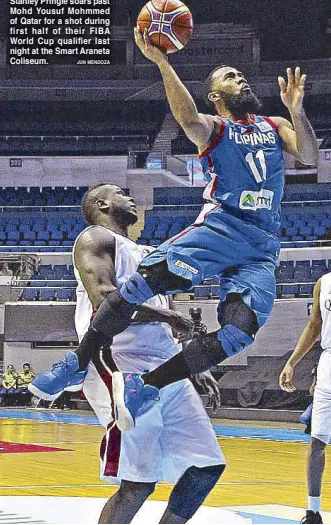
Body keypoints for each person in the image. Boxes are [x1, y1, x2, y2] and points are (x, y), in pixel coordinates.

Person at [30, 27, 318, 432]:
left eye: (240, 74)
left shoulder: (273, 124)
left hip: (262, 245)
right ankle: (76, 363)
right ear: (216, 96)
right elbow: (186, 117)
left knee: (239, 333)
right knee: (135, 288)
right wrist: (163, 61)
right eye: (230, 76)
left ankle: (148, 386)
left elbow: (308, 155)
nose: (242, 79)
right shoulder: (216, 129)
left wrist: (297, 109)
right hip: (222, 227)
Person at [51, 184, 226, 523]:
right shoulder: (95, 239)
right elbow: (105, 299)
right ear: (102, 203)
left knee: (206, 466)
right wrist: (167, 315)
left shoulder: (150, 253)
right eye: (120, 192)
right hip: (118, 360)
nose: (131, 195)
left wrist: (191, 364)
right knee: (138, 483)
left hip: (164, 364)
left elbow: (170, 325)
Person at [279, 277, 329, 525]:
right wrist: (292, 363)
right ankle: (313, 512)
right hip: (328, 366)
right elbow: (313, 326)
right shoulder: (324, 283)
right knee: (317, 442)